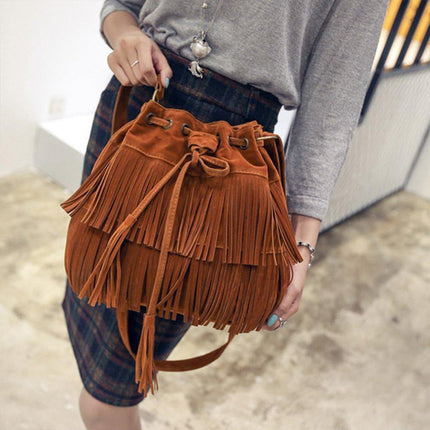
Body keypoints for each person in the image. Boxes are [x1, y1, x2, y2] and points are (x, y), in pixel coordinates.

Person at [61, 1, 390, 429]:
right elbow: (122, 7)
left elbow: (334, 98)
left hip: (230, 156)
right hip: (138, 109)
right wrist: (124, 34)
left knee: (114, 386)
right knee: (91, 295)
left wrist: (302, 240)